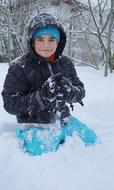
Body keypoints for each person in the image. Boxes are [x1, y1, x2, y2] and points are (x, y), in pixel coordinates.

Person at [1, 13, 97, 155]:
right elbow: (10, 104)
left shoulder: (65, 63)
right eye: (40, 39)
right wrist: (40, 97)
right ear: (32, 41)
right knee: (43, 153)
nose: (46, 45)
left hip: (64, 120)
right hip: (33, 125)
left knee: (91, 140)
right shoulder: (19, 67)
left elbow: (80, 90)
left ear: (59, 42)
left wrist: (69, 92)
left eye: (52, 39)